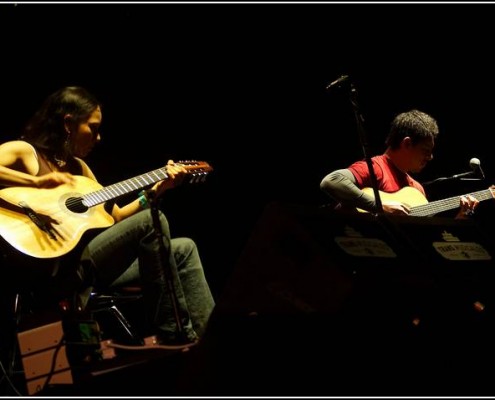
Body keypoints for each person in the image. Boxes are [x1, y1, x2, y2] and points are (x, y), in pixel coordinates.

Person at [0, 86, 215, 345]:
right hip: (53, 270)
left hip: (90, 268)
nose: (98, 138)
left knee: (185, 249)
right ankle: (174, 333)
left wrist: (156, 191)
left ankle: (211, 339)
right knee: (151, 223)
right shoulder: (26, 152)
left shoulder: (80, 171)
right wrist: (36, 183)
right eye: (93, 128)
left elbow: (118, 219)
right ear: (68, 123)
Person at [320, 109, 479, 218]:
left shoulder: (416, 189)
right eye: (425, 150)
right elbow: (331, 181)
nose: (430, 157)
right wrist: (380, 205)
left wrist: (461, 217)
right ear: (407, 143)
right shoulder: (375, 167)